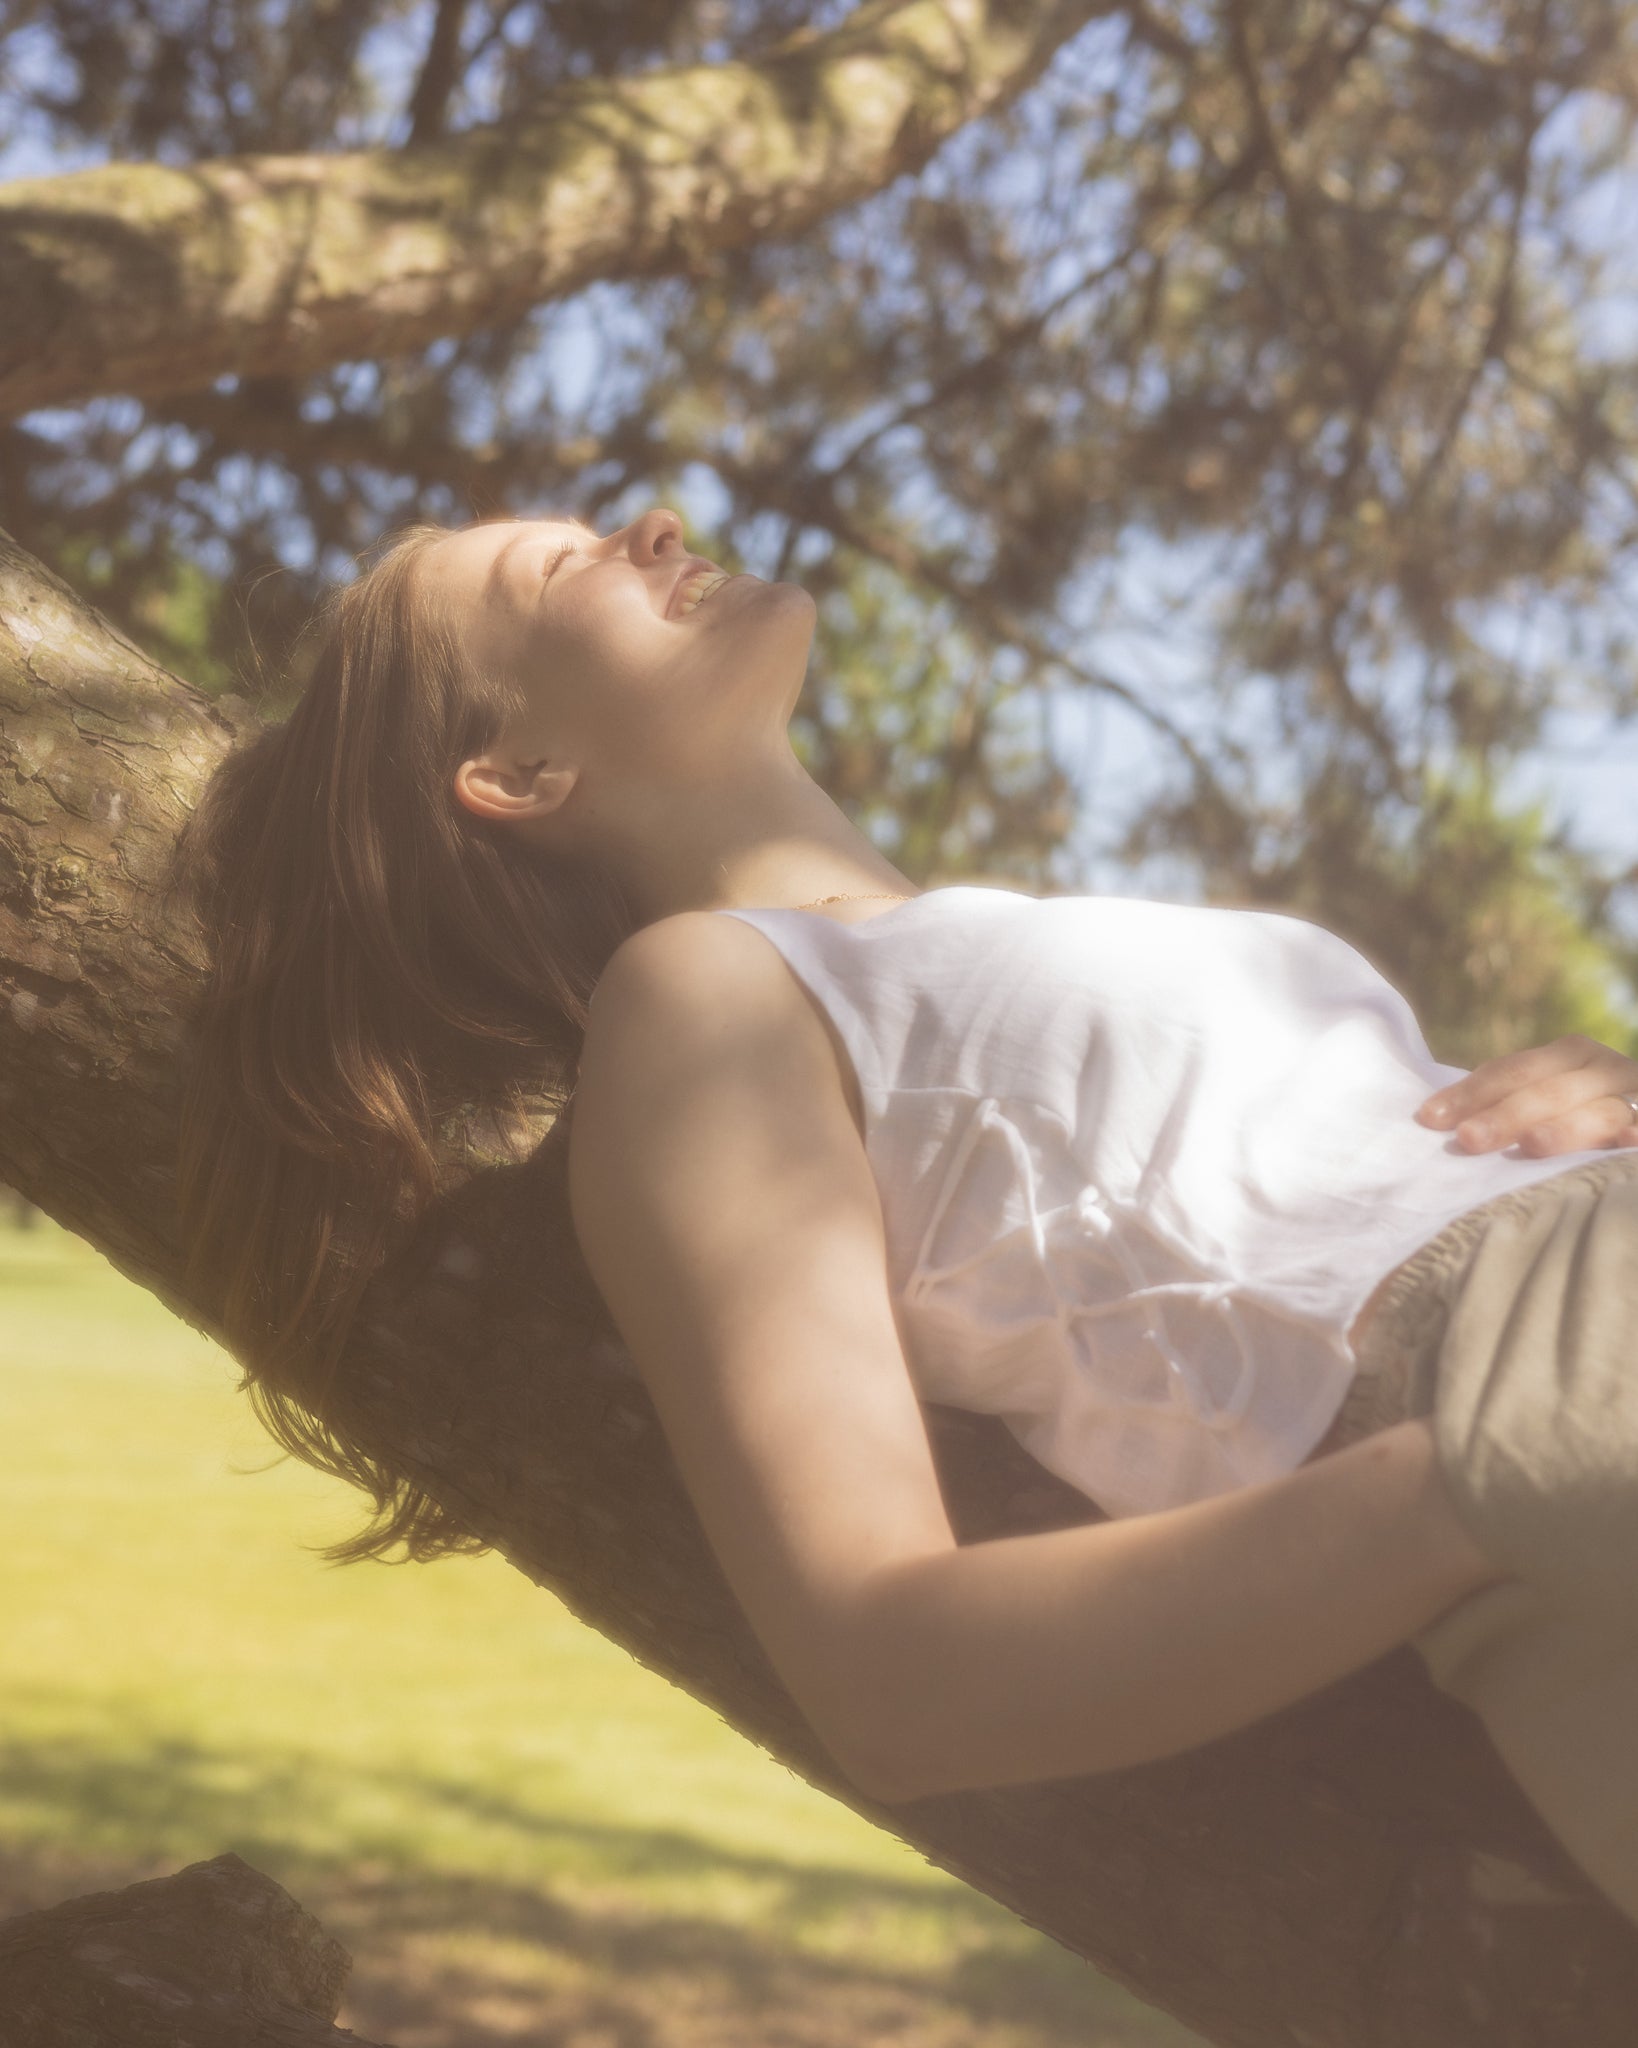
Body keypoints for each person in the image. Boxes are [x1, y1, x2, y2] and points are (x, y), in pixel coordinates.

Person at [175, 507, 1638, 1925]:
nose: (658, 522)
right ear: (517, 768)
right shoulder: (705, 1003)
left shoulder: (971, 941)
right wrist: (1480, 1482)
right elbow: (887, 1671)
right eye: (563, 565)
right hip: (1551, 1386)